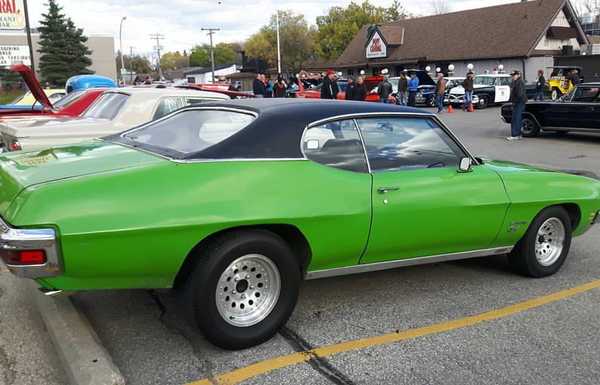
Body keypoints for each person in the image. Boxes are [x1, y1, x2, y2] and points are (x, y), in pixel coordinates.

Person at [507, 70, 526, 141]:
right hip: (519, 102)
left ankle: (515, 135)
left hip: (518, 102)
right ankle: (518, 134)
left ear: (518, 75)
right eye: (512, 75)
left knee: (515, 119)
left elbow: (520, 94)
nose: (513, 76)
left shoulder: (519, 82)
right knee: (518, 118)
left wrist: (514, 101)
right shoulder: (516, 82)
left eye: (514, 75)